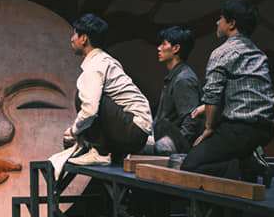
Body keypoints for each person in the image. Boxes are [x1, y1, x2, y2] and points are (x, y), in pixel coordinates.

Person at [180, 0, 274, 178]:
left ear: (231, 23)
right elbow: (245, 93)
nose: (217, 22)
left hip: (240, 128)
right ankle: (247, 158)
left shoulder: (222, 53)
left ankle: (245, 166)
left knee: (190, 166)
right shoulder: (258, 53)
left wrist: (209, 128)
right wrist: (204, 108)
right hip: (266, 128)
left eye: (221, 18)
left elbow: (213, 95)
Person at [63, 14, 153, 166]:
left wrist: (73, 131)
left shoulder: (95, 66)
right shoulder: (105, 60)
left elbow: (90, 110)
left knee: (82, 96)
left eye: (75, 34)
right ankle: (102, 150)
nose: (72, 39)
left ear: (84, 38)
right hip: (136, 130)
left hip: (134, 131)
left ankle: (100, 152)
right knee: (92, 97)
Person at [147, 26, 202, 154]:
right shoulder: (176, 76)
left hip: (173, 149)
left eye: (163, 44)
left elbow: (191, 121)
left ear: (176, 48)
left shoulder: (183, 79)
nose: (159, 48)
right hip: (163, 139)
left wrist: (173, 149)